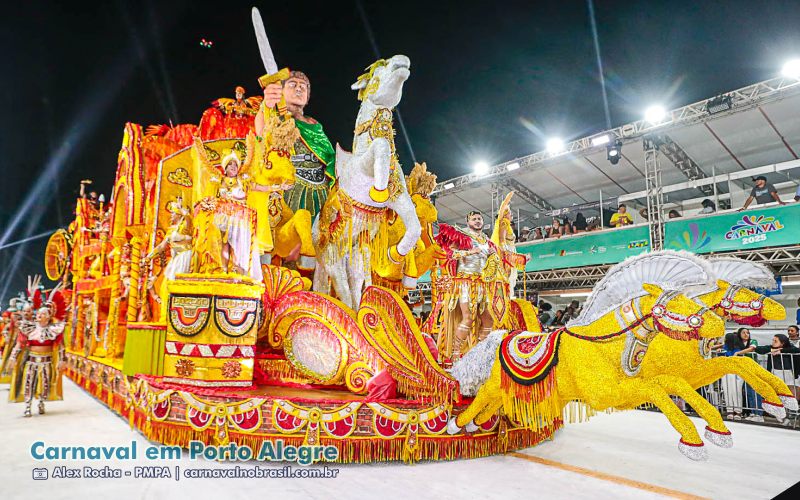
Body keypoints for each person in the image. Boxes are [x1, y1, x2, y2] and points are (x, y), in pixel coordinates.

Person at [256, 71, 336, 219]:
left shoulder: (315, 125)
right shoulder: (275, 118)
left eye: (303, 87)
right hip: (289, 191)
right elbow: (263, 134)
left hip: (323, 191)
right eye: (293, 85)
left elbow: (331, 157)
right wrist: (267, 104)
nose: (299, 89)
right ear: (281, 91)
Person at [5, 283, 67, 417]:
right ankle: (27, 405)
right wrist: (12, 357)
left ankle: (41, 402)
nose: (39, 315)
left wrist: (62, 360)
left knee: (45, 383)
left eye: (43, 314)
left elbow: (61, 346)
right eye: (38, 313)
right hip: (31, 360)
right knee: (28, 382)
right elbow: (19, 344)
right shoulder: (29, 327)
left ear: (48, 316)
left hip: (47, 361)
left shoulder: (54, 329)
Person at [754, 334, 800, 400]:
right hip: (775, 373)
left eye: (775, 341)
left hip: (789, 374)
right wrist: (771, 350)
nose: (773, 342)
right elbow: (758, 349)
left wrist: (781, 351)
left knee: (793, 395)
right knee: (777, 394)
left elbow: (797, 350)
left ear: (783, 343)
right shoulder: (770, 347)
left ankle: (793, 409)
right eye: (773, 340)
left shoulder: (790, 348)